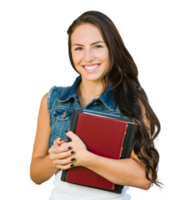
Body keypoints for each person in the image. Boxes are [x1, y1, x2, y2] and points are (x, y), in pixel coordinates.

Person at [29, 9, 165, 199]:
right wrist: (54, 159)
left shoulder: (131, 100)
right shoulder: (52, 99)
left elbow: (144, 179)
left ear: (112, 48)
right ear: (70, 53)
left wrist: (87, 158)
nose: (88, 57)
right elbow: (35, 177)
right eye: (79, 48)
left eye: (97, 46)